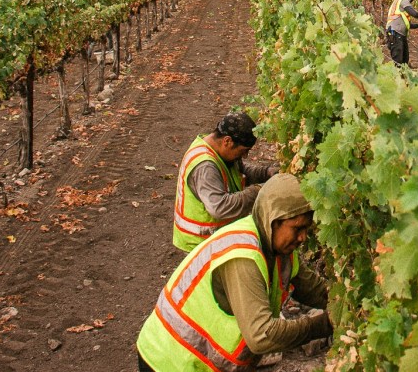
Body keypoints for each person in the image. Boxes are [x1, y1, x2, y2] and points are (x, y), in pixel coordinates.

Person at [137, 173, 332, 372]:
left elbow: (313, 290)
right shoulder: (242, 256)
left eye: (306, 229)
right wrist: (324, 324)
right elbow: (261, 336)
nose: (302, 237)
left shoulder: (279, 249)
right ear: (274, 219)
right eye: (297, 228)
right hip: (169, 361)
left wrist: (348, 306)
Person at [174, 112, 277, 253]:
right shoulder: (205, 167)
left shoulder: (217, 149)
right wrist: (259, 191)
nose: (245, 156)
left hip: (214, 239)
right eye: (243, 151)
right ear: (227, 141)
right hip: (201, 244)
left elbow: (240, 170)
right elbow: (220, 207)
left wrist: (268, 173)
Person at [385, 0, 418, 66]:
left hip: (398, 33)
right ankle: (396, 77)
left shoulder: (401, 3)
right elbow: (413, 13)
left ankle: (402, 77)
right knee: (398, 59)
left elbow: (407, 24)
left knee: (404, 59)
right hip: (394, 32)